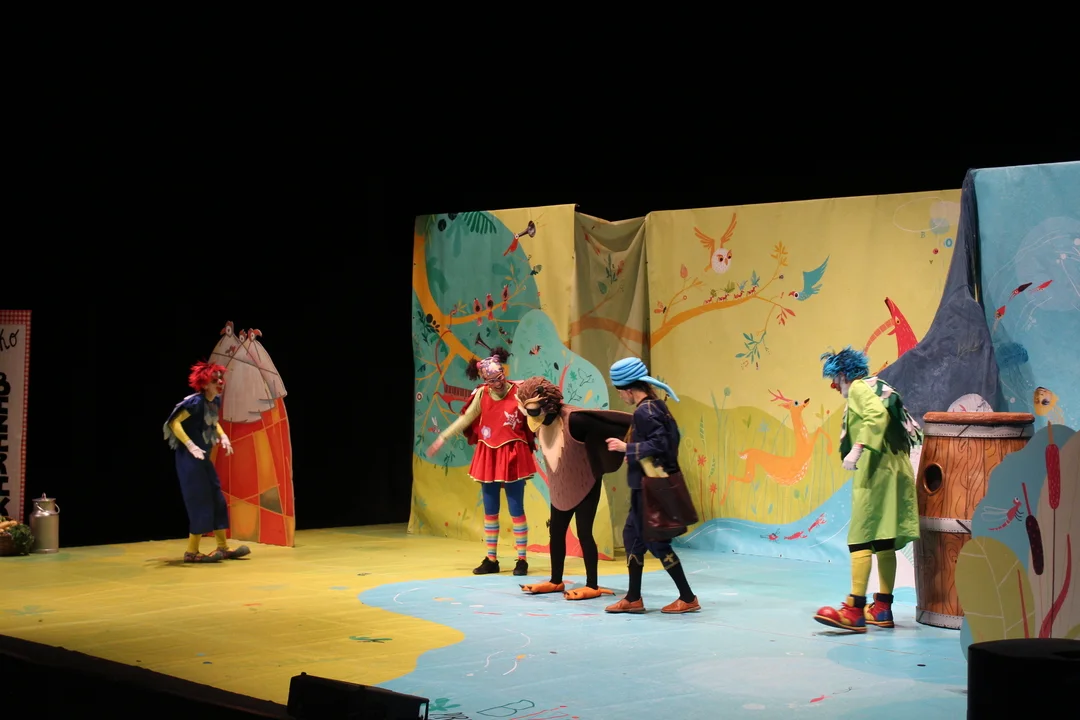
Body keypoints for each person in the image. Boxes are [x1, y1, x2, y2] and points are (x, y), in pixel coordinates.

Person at [814, 346, 922, 633]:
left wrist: (857, 448)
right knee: (883, 539)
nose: (834, 386)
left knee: (860, 538)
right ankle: (882, 607)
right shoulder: (879, 386)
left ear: (843, 375)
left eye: (834, 379)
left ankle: (854, 610)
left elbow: (876, 416)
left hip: (877, 471)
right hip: (895, 470)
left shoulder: (860, 388)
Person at [515, 376, 634, 600]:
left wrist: (631, 443)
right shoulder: (541, 421)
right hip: (560, 485)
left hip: (584, 483)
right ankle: (555, 580)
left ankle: (592, 584)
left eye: (532, 410)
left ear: (547, 404)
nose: (530, 417)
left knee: (584, 532)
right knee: (556, 532)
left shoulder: (575, 420)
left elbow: (613, 425)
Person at [602, 357, 700, 614]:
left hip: (650, 490)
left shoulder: (645, 411)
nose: (620, 396)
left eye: (619, 391)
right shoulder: (656, 406)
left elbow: (662, 444)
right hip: (644, 488)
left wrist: (627, 448)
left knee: (657, 542)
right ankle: (633, 598)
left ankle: (688, 597)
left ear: (627, 389)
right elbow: (669, 440)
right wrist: (636, 453)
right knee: (632, 537)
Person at [427, 348, 536, 576]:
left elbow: (535, 419)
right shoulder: (482, 394)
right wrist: (442, 437)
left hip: (513, 455)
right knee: (490, 510)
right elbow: (466, 419)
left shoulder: (518, 392)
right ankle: (491, 559)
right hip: (488, 455)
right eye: (492, 380)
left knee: (516, 509)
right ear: (485, 381)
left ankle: (522, 560)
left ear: (504, 373)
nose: (497, 383)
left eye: (500, 377)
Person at [164, 361, 251, 564]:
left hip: (203, 458)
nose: (220, 382)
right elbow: (174, 422)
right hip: (189, 459)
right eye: (214, 380)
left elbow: (213, 421)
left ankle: (223, 547)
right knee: (199, 500)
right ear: (204, 384)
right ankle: (191, 552)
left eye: (220, 379)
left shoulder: (214, 401)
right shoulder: (195, 402)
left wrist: (223, 436)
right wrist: (190, 445)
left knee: (217, 497)